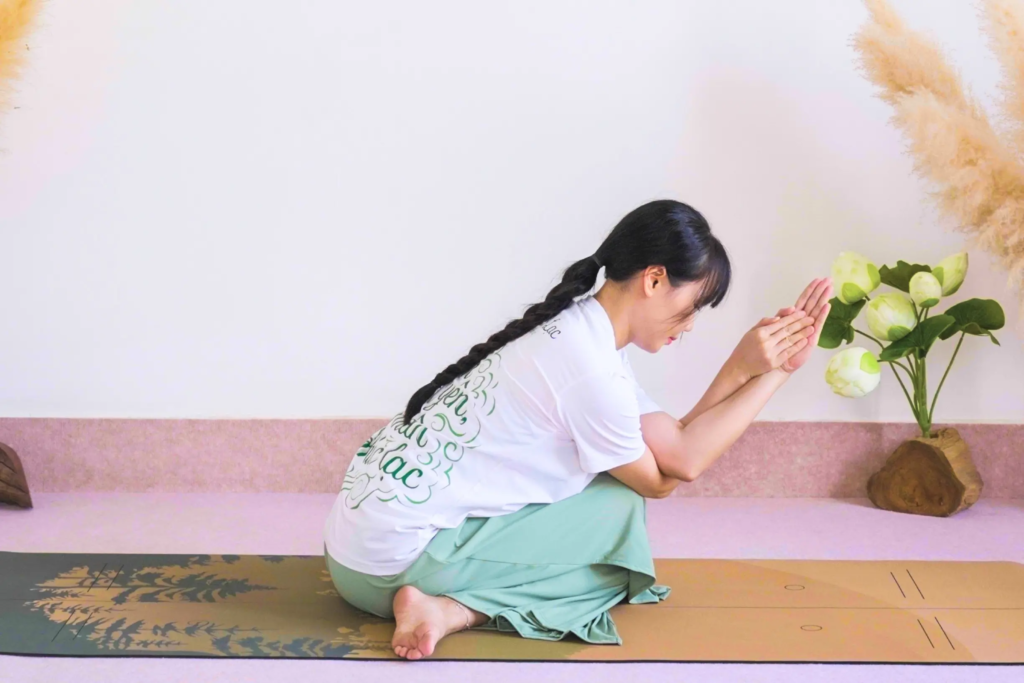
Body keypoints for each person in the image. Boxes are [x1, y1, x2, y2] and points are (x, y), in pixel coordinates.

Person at [322, 199, 833, 660]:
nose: (690, 323)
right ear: (654, 280)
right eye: (692, 306)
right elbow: (669, 476)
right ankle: (451, 609)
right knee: (617, 543)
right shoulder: (590, 371)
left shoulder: (579, 330)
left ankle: (441, 600)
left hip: (354, 547)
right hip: (383, 572)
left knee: (616, 500)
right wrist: (776, 374)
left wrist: (749, 369)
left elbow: (674, 444)